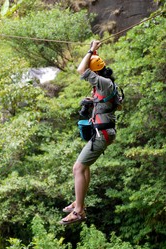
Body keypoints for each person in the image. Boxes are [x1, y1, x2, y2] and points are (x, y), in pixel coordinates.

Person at [60, 40, 117, 225]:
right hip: (102, 132)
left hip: (102, 134)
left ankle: (79, 211)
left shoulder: (103, 83)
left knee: (78, 168)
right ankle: (79, 203)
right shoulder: (106, 84)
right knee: (84, 167)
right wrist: (95, 104)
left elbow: (80, 70)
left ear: (95, 72)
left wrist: (91, 50)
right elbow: (116, 105)